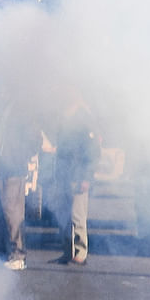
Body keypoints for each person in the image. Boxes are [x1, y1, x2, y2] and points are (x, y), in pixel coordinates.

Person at [0, 100, 45, 271]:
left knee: (14, 213)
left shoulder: (22, 110)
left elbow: (35, 140)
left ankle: (19, 255)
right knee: (3, 211)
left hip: (14, 168)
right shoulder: (7, 108)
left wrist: (20, 156)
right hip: (3, 167)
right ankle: (5, 251)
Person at [50, 94, 100, 266]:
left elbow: (93, 153)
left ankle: (80, 252)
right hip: (65, 174)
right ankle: (68, 251)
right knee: (64, 216)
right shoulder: (64, 119)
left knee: (77, 216)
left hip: (78, 175)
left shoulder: (83, 120)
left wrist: (86, 177)